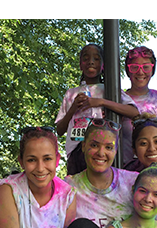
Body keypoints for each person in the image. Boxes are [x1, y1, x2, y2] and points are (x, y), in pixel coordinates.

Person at [55, 43, 139, 175]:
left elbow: (134, 112)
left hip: (102, 150)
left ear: (103, 64)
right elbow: (59, 130)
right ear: (80, 64)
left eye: (96, 58)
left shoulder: (111, 90)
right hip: (77, 151)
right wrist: (73, 108)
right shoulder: (71, 93)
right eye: (86, 58)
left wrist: (102, 102)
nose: (91, 62)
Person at [123, 46, 157, 171]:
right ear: (128, 71)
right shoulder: (120, 99)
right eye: (134, 67)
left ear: (152, 69)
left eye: (146, 67)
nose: (140, 72)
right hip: (130, 171)